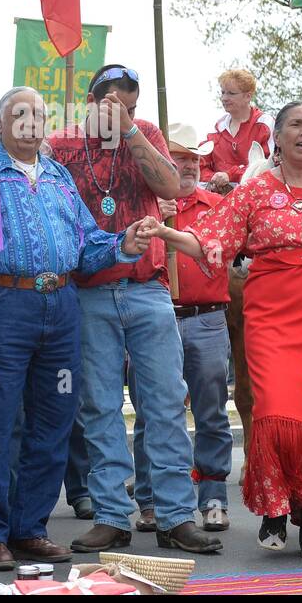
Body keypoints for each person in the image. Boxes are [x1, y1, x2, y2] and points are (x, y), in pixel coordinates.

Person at [0, 88, 152, 569]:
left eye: (39, 115)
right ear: (1, 124)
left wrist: (123, 240)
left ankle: (30, 527)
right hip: (2, 303)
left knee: (54, 422)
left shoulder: (58, 174)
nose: (32, 122)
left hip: (60, 305)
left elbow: (86, 245)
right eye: (20, 114)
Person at [151, 101, 302, 559]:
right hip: (270, 318)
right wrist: (165, 234)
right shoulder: (255, 190)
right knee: (276, 410)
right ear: (278, 139)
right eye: (297, 125)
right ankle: (274, 507)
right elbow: (209, 239)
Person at [48, 65, 221, 556]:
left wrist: (130, 132)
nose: (124, 114)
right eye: (114, 106)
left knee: (165, 401)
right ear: (90, 101)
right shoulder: (62, 144)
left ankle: (174, 517)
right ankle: (109, 516)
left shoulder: (143, 132)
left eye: (132, 106)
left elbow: (172, 188)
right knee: (99, 407)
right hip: (88, 291)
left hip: (146, 288)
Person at [132, 123, 234, 533]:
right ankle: (151, 500)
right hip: (156, 317)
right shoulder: (141, 204)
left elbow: (222, 253)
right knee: (151, 413)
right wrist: (157, 215)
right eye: (179, 157)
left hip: (207, 317)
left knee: (211, 412)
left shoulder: (216, 205)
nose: (188, 164)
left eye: (194, 157)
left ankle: (212, 497)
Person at [202, 69, 273, 193]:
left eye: (231, 93)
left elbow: (270, 164)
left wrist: (231, 175)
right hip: (219, 200)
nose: (224, 98)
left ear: (248, 96)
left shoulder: (265, 124)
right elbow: (201, 165)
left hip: (256, 195)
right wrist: (212, 178)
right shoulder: (218, 128)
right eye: (223, 92)